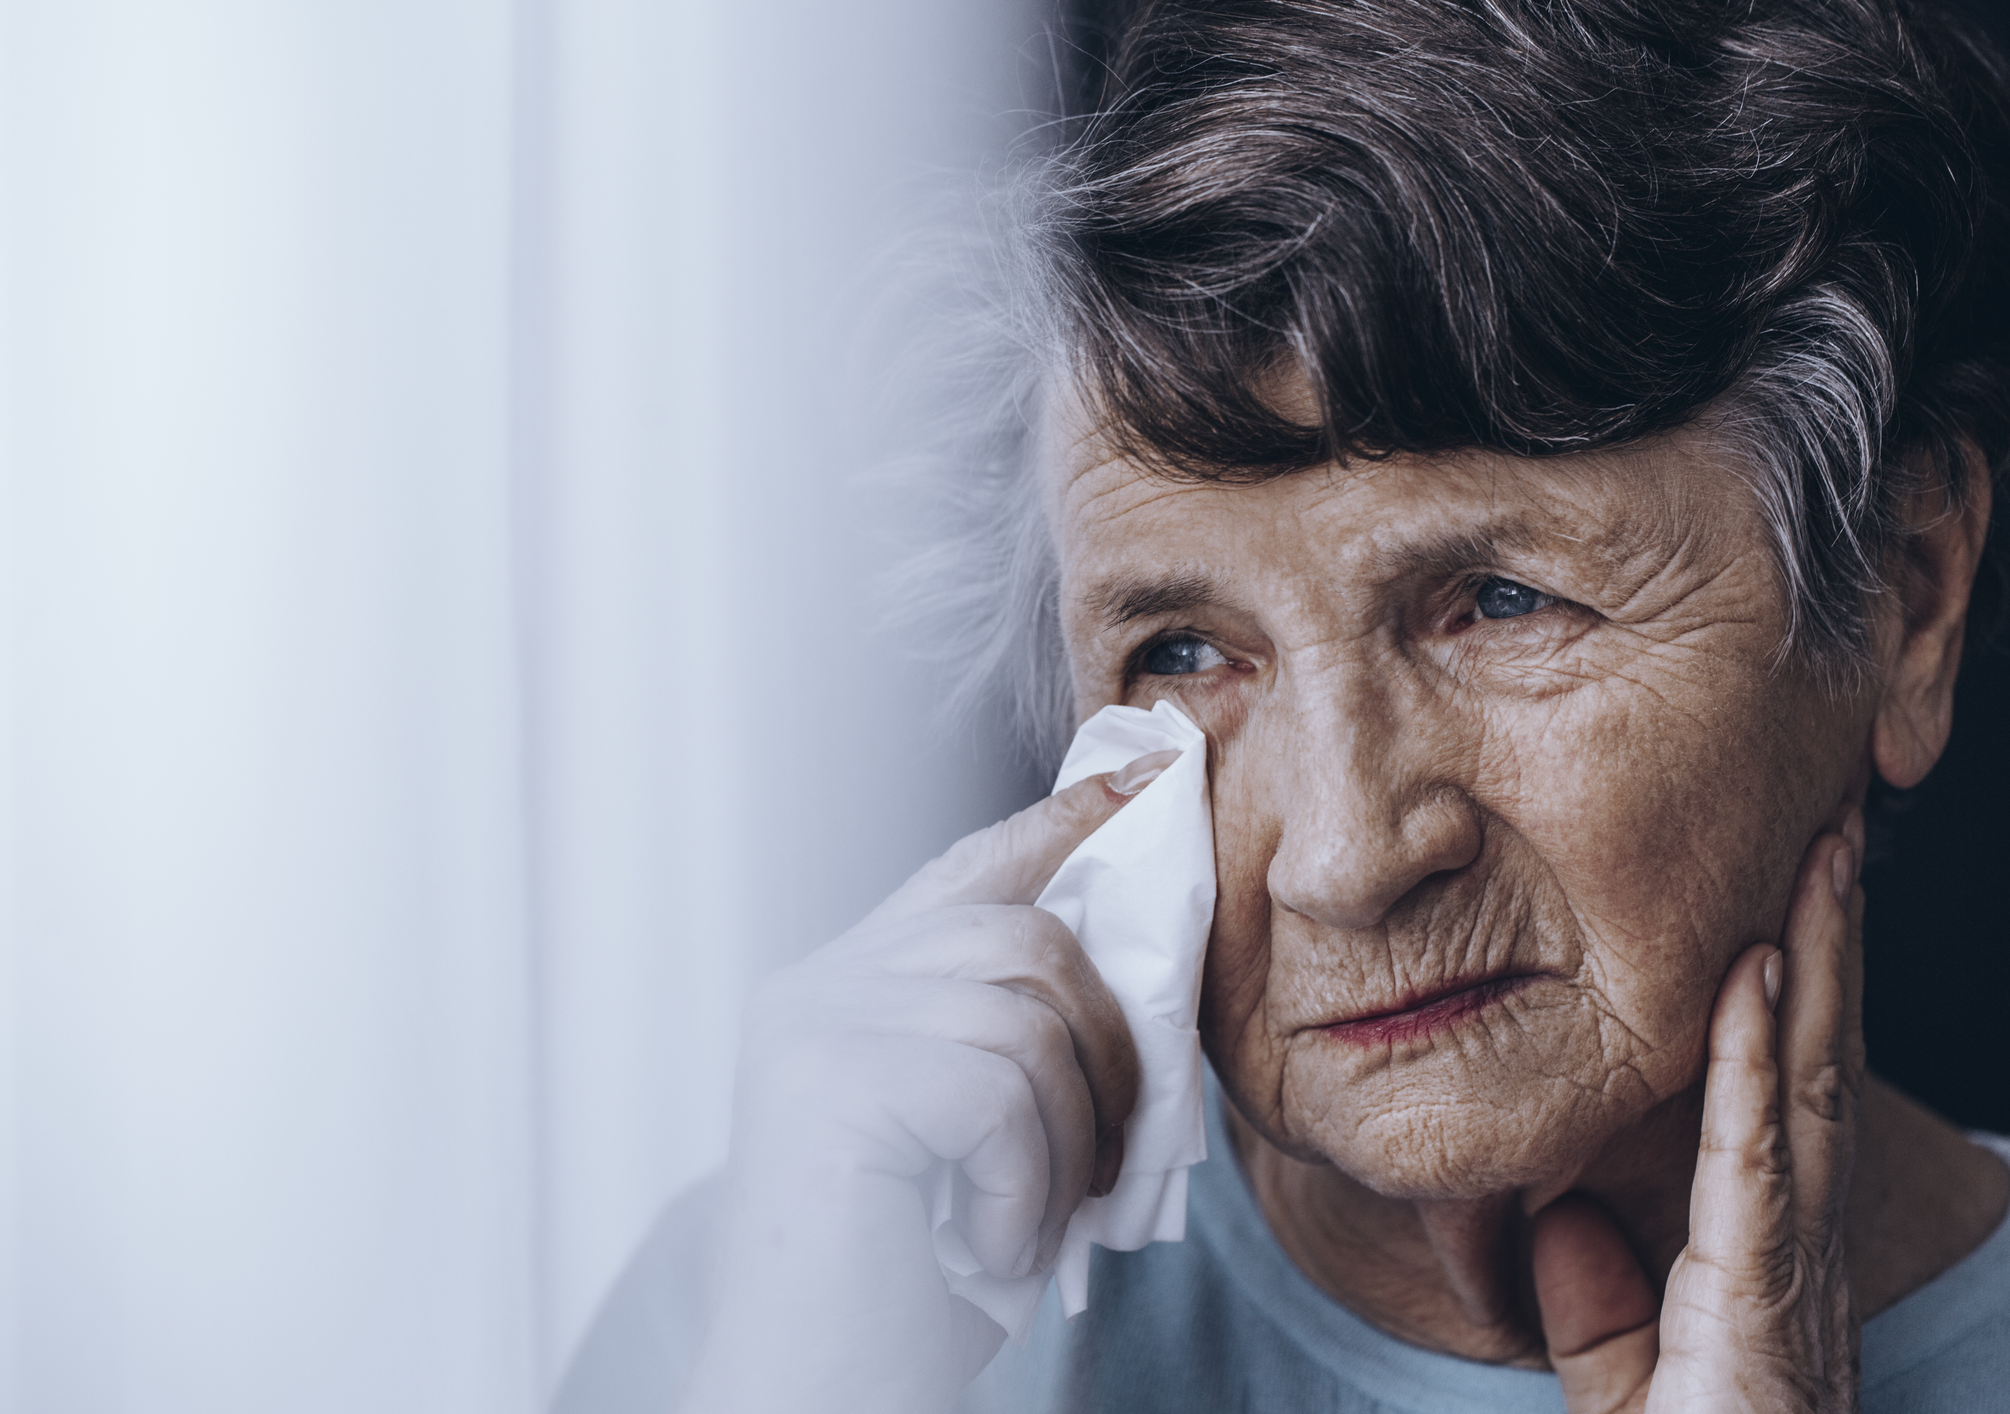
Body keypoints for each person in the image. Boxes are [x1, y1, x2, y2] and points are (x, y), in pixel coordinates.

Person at [563, 0, 2010, 1409]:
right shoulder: (788, 1303)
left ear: (1906, 595)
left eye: (1501, 601)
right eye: (1185, 652)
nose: (1344, 858)